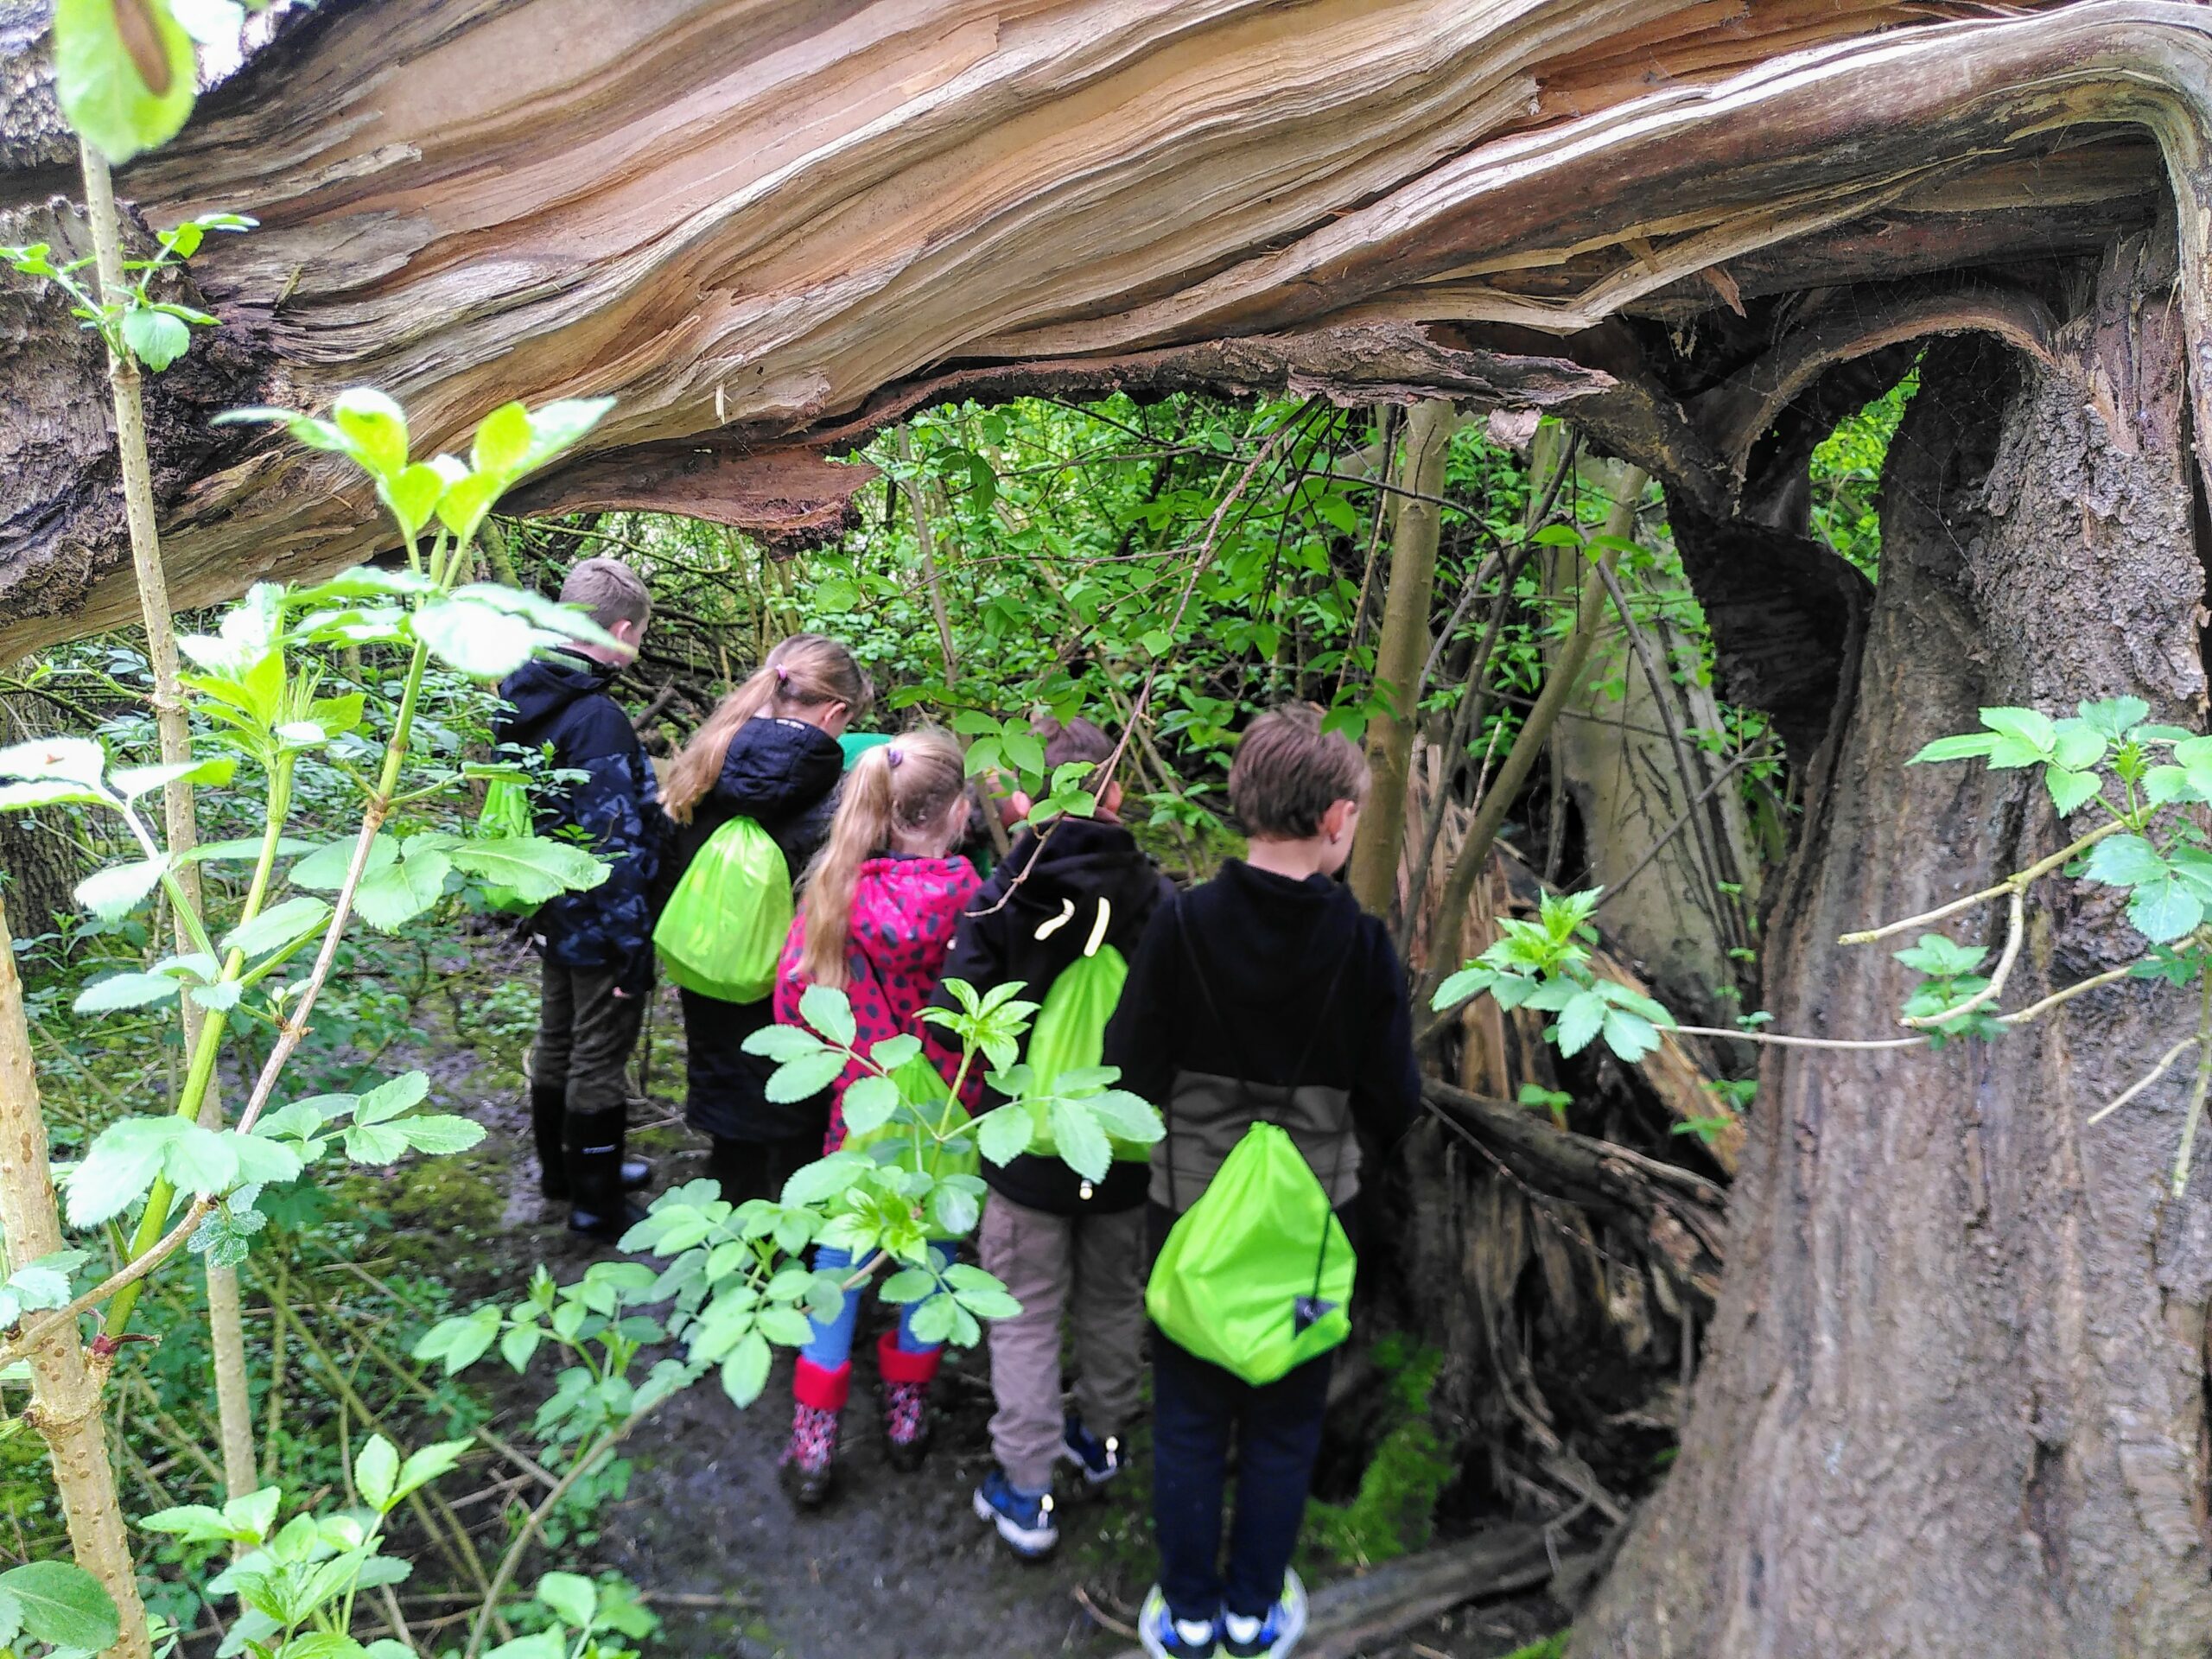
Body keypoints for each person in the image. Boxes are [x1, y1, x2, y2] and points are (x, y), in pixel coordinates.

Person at [1108, 704, 1419, 1659]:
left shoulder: (1181, 920)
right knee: (1286, 1421)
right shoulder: (1364, 947)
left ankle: (1189, 1612)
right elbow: (1394, 1099)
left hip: (1188, 1210)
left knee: (1191, 1416)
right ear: (1334, 817)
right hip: (1314, 1221)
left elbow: (1128, 1068)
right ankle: (1251, 1612)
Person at [933, 718, 1174, 1559]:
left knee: (1027, 1318)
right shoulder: (1160, 894)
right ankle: (1102, 1442)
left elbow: (955, 1013)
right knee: (1112, 1299)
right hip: (1121, 1148)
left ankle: (1027, 1490)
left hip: (1026, 1152)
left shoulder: (1006, 893)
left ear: (1033, 793)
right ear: (1114, 793)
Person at [772, 729, 982, 1507]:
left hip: (858, 1114)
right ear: (959, 814)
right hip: (947, 1124)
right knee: (936, 1262)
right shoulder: (975, 900)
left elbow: (793, 1004)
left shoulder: (836, 889)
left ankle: (814, 1439)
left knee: (840, 1264)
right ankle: (905, 1414)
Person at [658, 634, 871, 1208]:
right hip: (795, 988)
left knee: (734, 1132)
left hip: (708, 973)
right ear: (835, 713)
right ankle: (794, 1271)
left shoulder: (704, 762)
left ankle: (730, 1256)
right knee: (796, 1136)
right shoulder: (840, 791)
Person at [493, 557, 663, 1238]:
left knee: (558, 1037)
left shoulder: (522, 695)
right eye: (640, 636)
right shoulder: (595, 717)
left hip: (547, 902)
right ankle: (596, 1203)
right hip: (594, 919)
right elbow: (612, 849)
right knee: (597, 1052)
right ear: (621, 630)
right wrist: (632, 952)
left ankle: (566, 1170)